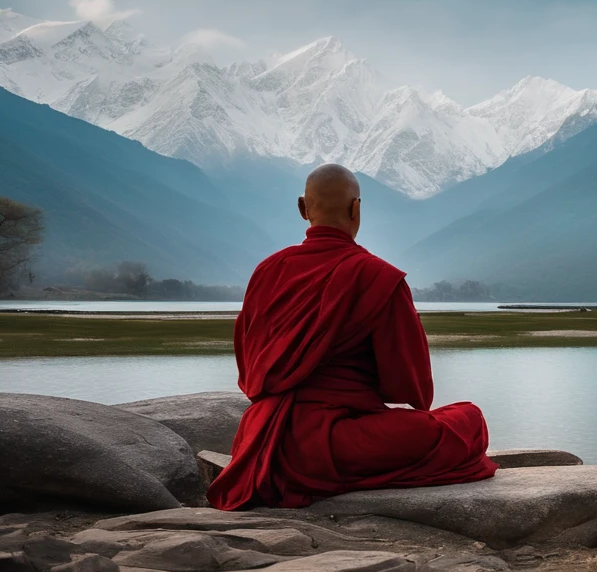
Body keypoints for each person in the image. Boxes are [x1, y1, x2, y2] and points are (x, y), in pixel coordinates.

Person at [207, 164, 498, 510]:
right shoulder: (377, 277)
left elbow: (249, 374)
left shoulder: (266, 272)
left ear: (303, 208)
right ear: (356, 208)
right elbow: (412, 390)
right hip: (336, 445)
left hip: (259, 439)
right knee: (468, 420)